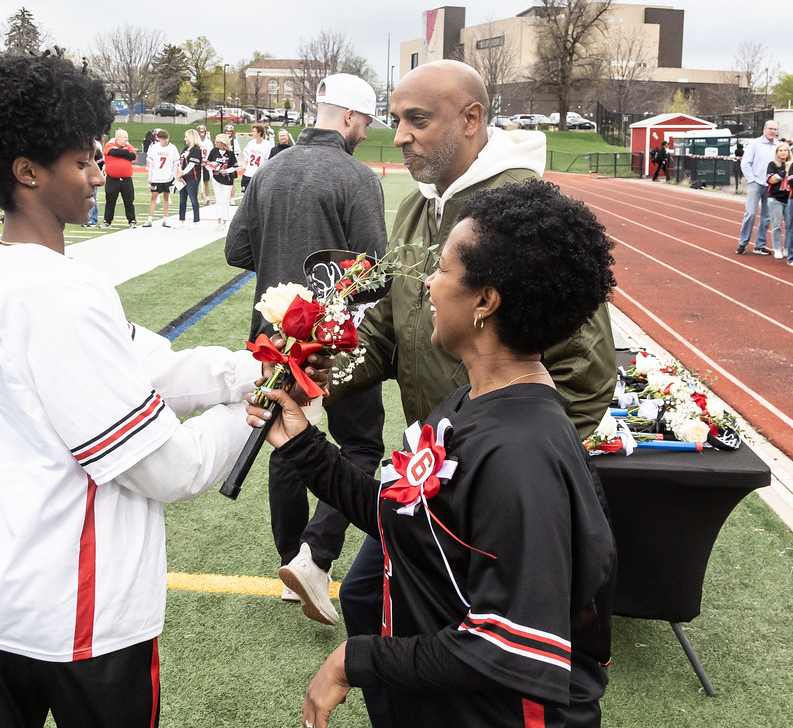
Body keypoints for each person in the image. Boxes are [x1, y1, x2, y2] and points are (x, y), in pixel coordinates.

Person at [0, 52, 285, 728]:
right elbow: (168, 469)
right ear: (27, 172)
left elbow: (147, 367)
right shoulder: (55, 291)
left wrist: (255, 366)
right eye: (81, 161)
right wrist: (251, 414)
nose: (98, 174)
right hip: (74, 609)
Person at [247, 178, 616, 728]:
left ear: (485, 302)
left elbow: (508, 648)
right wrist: (303, 445)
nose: (426, 284)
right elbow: (402, 521)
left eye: (442, 270)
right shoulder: (472, 400)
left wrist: (356, 658)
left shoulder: (522, 454)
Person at [329, 59, 615, 728]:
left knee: (474, 647)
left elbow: (590, 370)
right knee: (371, 598)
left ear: (471, 119)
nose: (397, 135)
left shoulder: (517, 216)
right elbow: (386, 329)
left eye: (416, 120)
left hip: (475, 494)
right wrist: (311, 378)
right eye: (395, 118)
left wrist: (501, 468)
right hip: (433, 474)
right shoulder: (412, 209)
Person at [226, 73, 388, 627]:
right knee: (362, 443)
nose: (365, 133)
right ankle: (314, 556)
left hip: (275, 333)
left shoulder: (269, 168)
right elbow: (375, 274)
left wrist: (283, 275)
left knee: (286, 439)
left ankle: (289, 561)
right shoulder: (357, 177)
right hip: (335, 337)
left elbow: (236, 249)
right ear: (348, 117)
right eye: (365, 123)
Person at [736, 119, 778, 256]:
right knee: (751, 213)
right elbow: (745, 163)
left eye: (775, 129)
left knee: (766, 217)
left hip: (771, 185)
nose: (772, 131)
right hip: (756, 183)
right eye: (770, 129)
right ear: (764, 129)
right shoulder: (755, 144)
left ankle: (760, 245)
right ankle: (743, 243)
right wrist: (751, 179)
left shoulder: (778, 145)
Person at [102, 128, 138, 229]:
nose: (127, 139)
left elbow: (132, 156)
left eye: (127, 137)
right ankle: (107, 221)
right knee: (110, 201)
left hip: (126, 179)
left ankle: (132, 220)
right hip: (113, 179)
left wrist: (121, 152)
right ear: (118, 138)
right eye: (125, 137)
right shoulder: (109, 145)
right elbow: (112, 152)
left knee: (129, 201)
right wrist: (124, 152)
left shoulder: (129, 146)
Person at [142, 129, 178, 228]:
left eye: (166, 139)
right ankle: (149, 219)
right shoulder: (154, 148)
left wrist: (174, 176)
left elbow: (176, 163)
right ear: (159, 139)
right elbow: (151, 164)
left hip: (168, 177)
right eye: (163, 139)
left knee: (166, 198)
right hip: (156, 177)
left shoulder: (172, 148)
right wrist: (150, 178)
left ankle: (165, 219)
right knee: (153, 197)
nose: (165, 141)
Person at [764, 142, 791, 260]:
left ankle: (787, 248)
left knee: (790, 226)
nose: (783, 152)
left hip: (790, 199)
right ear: (777, 153)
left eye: (785, 150)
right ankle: (776, 248)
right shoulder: (772, 165)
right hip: (775, 199)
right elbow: (771, 180)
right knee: (777, 225)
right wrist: (785, 171)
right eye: (781, 150)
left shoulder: (792, 164)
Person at [206, 133, 238, 231]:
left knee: (225, 200)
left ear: (223, 143)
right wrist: (212, 166)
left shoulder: (230, 153)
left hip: (227, 180)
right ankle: (219, 220)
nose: (216, 143)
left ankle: (225, 220)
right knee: (218, 200)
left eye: (218, 141)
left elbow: (235, 166)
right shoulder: (214, 151)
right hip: (216, 178)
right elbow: (207, 164)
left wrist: (227, 171)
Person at [176, 129, 202, 229]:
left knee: (193, 199)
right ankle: (181, 220)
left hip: (192, 177)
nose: (185, 139)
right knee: (182, 200)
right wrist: (179, 172)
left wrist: (183, 172)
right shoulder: (186, 148)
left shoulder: (196, 149)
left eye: (187, 137)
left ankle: (196, 221)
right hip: (183, 177)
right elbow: (180, 161)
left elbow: (192, 163)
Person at [239, 123, 272, 194]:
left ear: (259, 133)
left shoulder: (267, 144)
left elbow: (267, 160)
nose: (252, 133)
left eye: (254, 131)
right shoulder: (251, 143)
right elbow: (246, 157)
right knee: (246, 195)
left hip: (258, 174)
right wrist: (244, 167)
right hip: (248, 173)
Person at [195, 124, 214, 205]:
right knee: (197, 181)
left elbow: (211, 153)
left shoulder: (208, 142)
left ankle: (207, 197)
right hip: (197, 163)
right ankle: (196, 198)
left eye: (203, 132)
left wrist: (207, 161)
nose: (201, 133)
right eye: (200, 132)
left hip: (206, 164)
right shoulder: (196, 142)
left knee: (206, 181)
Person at [224, 124, 241, 204]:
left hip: (231, 164)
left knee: (232, 181)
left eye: (230, 131)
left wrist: (233, 162)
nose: (228, 133)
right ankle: (225, 198)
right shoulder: (222, 140)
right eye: (227, 131)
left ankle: (232, 198)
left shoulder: (234, 142)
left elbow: (237, 153)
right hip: (223, 163)